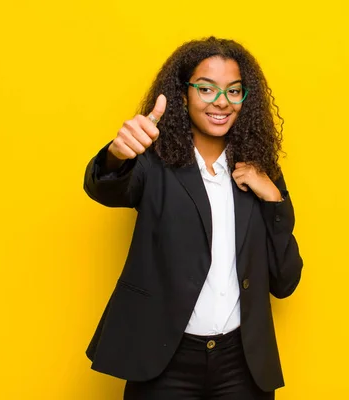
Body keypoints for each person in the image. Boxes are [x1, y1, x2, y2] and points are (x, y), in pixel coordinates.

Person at [83, 36, 303, 400]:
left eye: (234, 91)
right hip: (163, 360)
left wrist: (275, 198)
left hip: (242, 364)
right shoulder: (153, 164)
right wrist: (115, 156)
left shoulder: (260, 172)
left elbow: (285, 281)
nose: (222, 102)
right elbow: (106, 188)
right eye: (206, 88)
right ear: (183, 95)